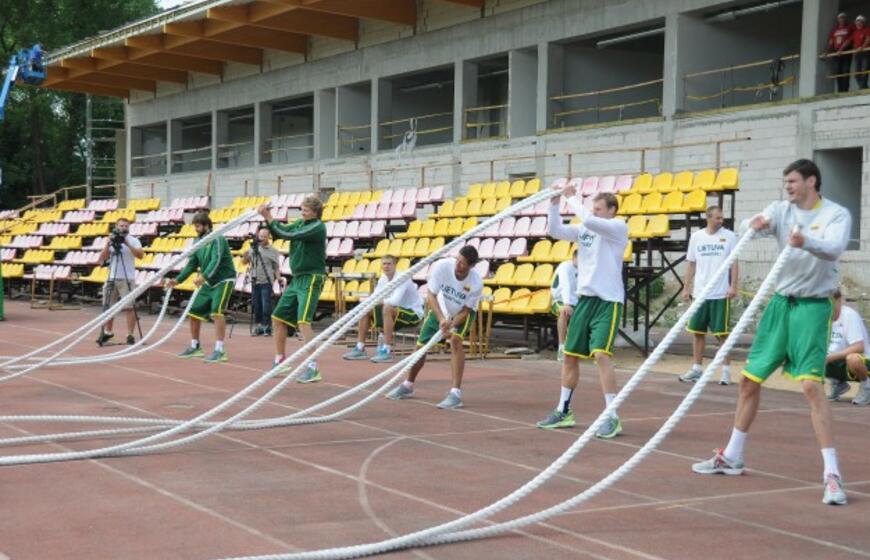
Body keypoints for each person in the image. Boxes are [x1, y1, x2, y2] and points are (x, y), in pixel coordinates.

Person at [692, 159, 852, 507]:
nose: (788, 187)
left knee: (811, 386)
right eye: (785, 182)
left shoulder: (836, 214)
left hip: (813, 307)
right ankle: (733, 455)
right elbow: (754, 224)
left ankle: (832, 475)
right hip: (781, 305)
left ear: (812, 181)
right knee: (749, 380)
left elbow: (834, 248)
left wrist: (804, 240)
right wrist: (758, 222)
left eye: (793, 181)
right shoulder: (782, 209)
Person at [536, 187, 628, 439]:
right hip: (585, 299)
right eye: (593, 208)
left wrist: (570, 196)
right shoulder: (586, 229)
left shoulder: (618, 227)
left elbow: (587, 218)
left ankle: (612, 415)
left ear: (611, 211)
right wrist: (554, 205)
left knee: (601, 355)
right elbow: (555, 231)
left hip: (608, 301)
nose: (594, 213)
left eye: (599, 209)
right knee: (569, 355)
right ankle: (563, 410)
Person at [386, 246, 483, 409]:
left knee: (455, 342)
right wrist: (441, 319)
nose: (458, 265)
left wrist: (451, 325)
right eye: (457, 260)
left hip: (461, 312)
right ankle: (408, 385)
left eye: (463, 263)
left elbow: (466, 311)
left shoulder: (476, 283)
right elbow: (431, 295)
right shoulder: (443, 266)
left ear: (471, 266)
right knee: (420, 348)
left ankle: (455, 394)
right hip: (441, 308)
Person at [259, 195, 327, 383]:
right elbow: (282, 232)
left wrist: (269, 217)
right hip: (297, 279)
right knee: (278, 318)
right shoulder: (300, 223)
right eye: (302, 209)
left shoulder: (317, 226)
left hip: (312, 278)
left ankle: (313, 367)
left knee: (303, 321)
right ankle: (280, 360)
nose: (302, 212)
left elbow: (289, 235)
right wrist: (268, 216)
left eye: (305, 210)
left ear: (314, 212)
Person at [164, 211, 236, 363]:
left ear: (206, 225)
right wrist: (177, 280)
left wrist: (204, 276)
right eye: (195, 226)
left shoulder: (217, 239)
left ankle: (219, 350)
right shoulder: (197, 242)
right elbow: (191, 264)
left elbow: (216, 261)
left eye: (197, 226)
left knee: (216, 311)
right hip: (208, 282)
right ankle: (195, 346)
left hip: (223, 280)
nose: (195, 229)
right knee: (194, 312)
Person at [679, 205, 738, 385]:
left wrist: (733, 286)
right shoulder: (696, 237)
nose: (721, 221)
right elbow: (691, 264)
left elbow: (734, 264)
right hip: (700, 293)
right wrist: (686, 287)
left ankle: (726, 372)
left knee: (722, 334)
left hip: (720, 294)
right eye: (717, 218)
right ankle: (697, 369)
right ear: (708, 218)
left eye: (722, 218)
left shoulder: (729, 236)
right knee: (697, 332)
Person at [342, 254, 424, 363]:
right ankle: (360, 347)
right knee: (365, 309)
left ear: (395, 265)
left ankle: (386, 350)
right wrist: (367, 302)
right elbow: (375, 297)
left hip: (413, 314)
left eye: (389, 264)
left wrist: (377, 301)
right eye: (384, 264)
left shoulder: (403, 278)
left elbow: (395, 301)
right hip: (395, 312)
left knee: (387, 308)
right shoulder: (383, 278)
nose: (386, 266)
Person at [96, 217, 144, 346]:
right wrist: (107, 244)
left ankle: (130, 334)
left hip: (127, 278)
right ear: (116, 226)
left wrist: (127, 243)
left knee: (129, 307)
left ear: (129, 227)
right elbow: (101, 259)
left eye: (125, 226)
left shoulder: (134, 240)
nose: (123, 228)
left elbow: (140, 255)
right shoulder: (111, 240)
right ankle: (108, 332)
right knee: (108, 307)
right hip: (112, 277)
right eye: (121, 226)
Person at [825, 289, 870, 406]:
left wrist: (830, 357)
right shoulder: (823, 317)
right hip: (838, 360)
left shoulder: (849, 315)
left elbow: (859, 347)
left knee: (852, 358)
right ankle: (838, 383)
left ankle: (867, 386)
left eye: (830, 301)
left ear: (839, 300)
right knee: (812, 355)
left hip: (862, 360)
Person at [242, 226, 281, 336]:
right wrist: (245, 256)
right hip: (255, 280)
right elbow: (244, 262)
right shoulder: (254, 248)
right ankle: (258, 326)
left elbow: (276, 267)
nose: (262, 238)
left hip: (266, 281)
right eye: (261, 236)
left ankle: (267, 327)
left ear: (268, 237)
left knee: (266, 306)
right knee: (256, 305)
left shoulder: (273, 251)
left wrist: (278, 278)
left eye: (265, 236)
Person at [551, 249, 579, 362]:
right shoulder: (565, 267)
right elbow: (565, 286)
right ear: (574, 258)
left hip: (577, 301)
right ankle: (562, 348)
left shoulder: (587, 269)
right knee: (564, 312)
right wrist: (567, 304)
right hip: (560, 300)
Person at [827, 12, 855, 93]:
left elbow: (850, 39)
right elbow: (831, 41)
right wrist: (827, 51)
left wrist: (842, 49)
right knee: (838, 71)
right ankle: (840, 90)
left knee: (845, 70)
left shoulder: (849, 27)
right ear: (838, 19)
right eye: (840, 18)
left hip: (846, 51)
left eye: (843, 17)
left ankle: (845, 90)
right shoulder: (835, 29)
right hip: (837, 52)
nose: (842, 19)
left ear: (846, 19)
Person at [853, 15, 870, 89]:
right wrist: (855, 50)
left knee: (864, 70)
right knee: (856, 73)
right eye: (857, 22)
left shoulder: (867, 29)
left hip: (865, 52)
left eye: (860, 23)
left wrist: (862, 47)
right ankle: (864, 87)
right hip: (857, 54)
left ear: (863, 23)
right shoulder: (855, 32)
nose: (858, 24)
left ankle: (862, 88)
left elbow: (868, 39)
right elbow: (854, 43)